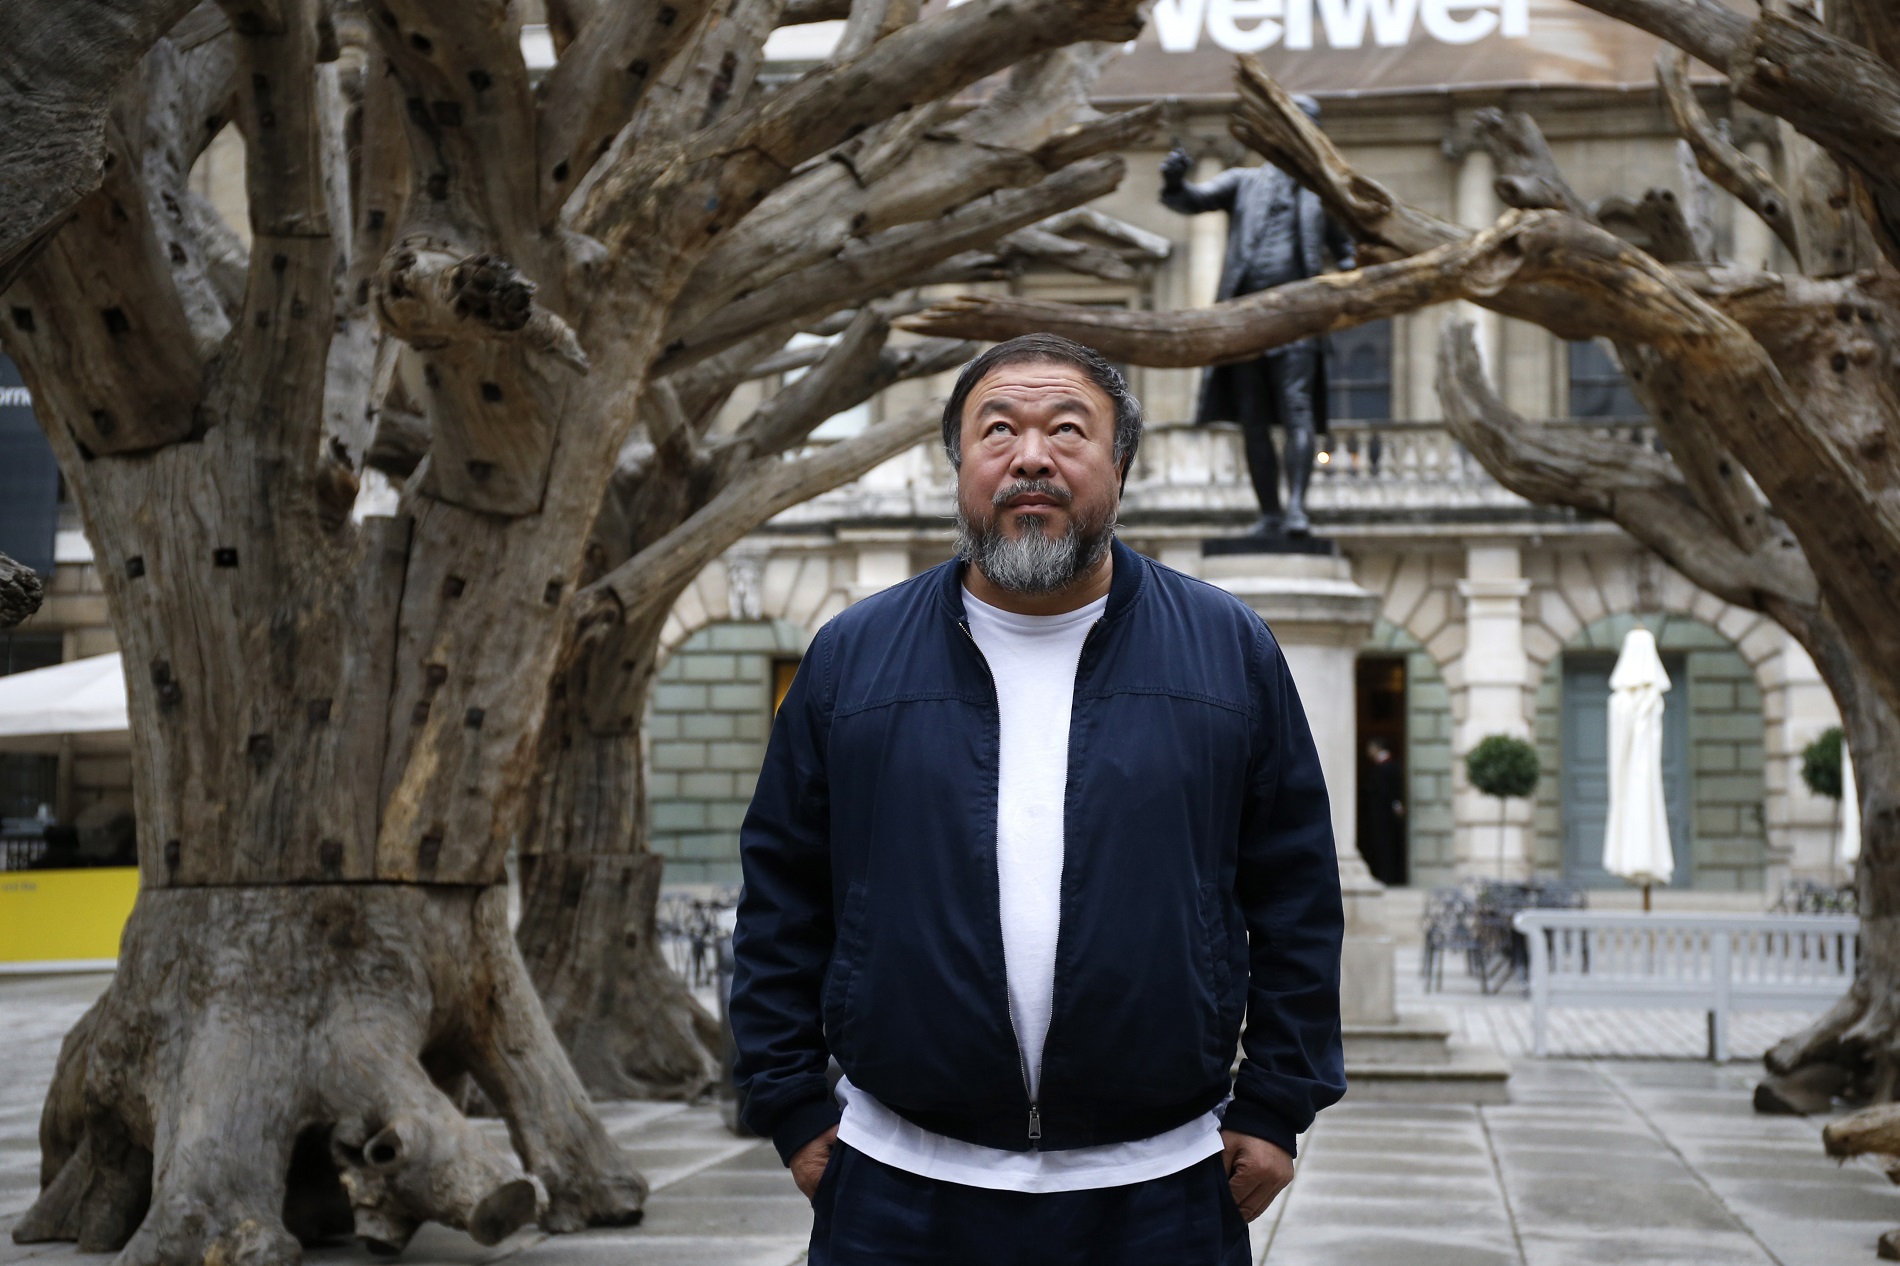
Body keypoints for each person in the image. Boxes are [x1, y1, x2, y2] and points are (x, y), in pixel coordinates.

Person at [729, 333, 1345, 1265]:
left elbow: (1296, 895)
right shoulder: (852, 658)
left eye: (1067, 429)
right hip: (899, 1186)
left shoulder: (1228, 650)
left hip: (1160, 1189)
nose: (1031, 458)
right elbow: (782, 894)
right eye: (998, 430)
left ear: (1120, 466)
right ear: (959, 466)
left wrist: (1274, 1104)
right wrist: (790, 1104)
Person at [1159, 96, 1356, 537]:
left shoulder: (1324, 193)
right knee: (1253, 420)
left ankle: (1297, 509)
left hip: (1298, 318)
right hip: (1245, 321)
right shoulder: (1243, 182)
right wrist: (1174, 179)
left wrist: (1351, 281)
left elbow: (1348, 250)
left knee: (1297, 410)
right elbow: (1193, 199)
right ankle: (1269, 513)